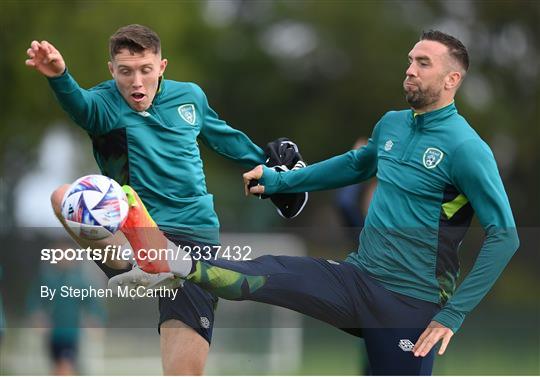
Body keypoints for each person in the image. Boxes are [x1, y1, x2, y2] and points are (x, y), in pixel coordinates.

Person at [111, 30, 520, 375]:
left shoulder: (467, 149)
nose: (410, 69)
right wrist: (278, 180)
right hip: (356, 280)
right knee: (270, 272)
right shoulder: (392, 124)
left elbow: (505, 238)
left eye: (423, 63)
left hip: (410, 306)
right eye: (410, 60)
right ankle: (171, 261)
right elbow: (353, 165)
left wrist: (453, 314)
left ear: (452, 80)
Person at [25, 24, 269, 374]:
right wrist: (59, 76)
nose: (136, 82)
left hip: (192, 238)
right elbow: (80, 105)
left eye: (145, 70)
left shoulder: (190, 97)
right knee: (62, 197)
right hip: (133, 234)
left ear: (162, 66)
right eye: (125, 71)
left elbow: (227, 139)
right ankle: (132, 266)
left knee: (183, 372)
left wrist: (273, 170)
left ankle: (151, 267)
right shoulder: (104, 104)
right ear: (112, 70)